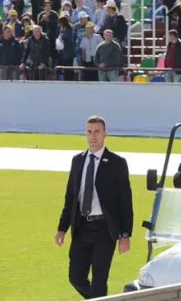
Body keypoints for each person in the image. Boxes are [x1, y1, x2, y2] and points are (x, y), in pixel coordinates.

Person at [55, 115, 133, 299]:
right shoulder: (78, 161)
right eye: (89, 132)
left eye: (97, 131)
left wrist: (125, 235)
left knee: (99, 278)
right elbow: (71, 198)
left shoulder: (117, 162)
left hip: (105, 229)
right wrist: (61, 228)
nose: (93, 136)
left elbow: (125, 201)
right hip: (81, 227)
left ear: (105, 134)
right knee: (76, 277)